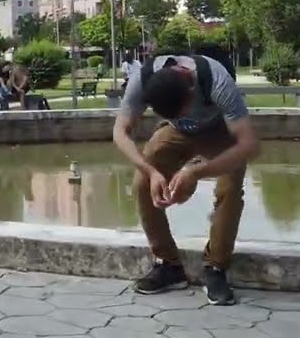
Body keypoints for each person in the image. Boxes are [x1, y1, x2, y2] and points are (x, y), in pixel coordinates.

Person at [110, 52, 259, 307]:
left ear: (191, 89)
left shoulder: (217, 80)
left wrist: (195, 172)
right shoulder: (142, 78)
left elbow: (247, 145)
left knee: (230, 188)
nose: (186, 115)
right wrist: (151, 172)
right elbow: (119, 132)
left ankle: (216, 268)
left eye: (185, 110)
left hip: (220, 130)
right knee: (142, 183)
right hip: (175, 132)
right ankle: (168, 265)